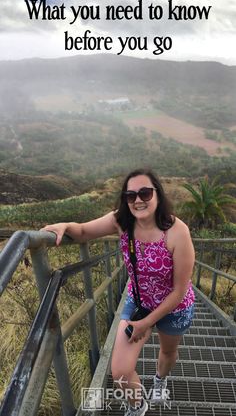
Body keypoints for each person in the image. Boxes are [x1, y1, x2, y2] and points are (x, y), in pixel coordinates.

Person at [42, 168, 195, 416]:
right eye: (130, 195)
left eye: (145, 193)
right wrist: (64, 225)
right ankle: (138, 406)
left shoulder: (178, 232)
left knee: (167, 351)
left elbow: (179, 290)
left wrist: (147, 323)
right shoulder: (121, 222)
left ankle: (159, 380)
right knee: (120, 372)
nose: (138, 200)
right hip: (139, 301)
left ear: (157, 194)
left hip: (174, 307)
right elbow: (82, 232)